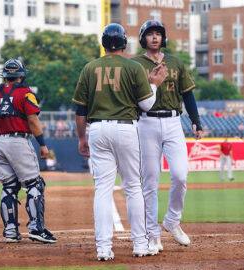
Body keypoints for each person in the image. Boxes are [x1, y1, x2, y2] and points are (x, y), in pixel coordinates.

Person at [72, 23, 167, 261]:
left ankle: (103, 248)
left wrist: (81, 137)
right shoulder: (134, 67)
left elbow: (80, 109)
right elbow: (146, 105)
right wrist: (154, 84)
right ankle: (140, 245)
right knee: (133, 187)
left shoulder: (89, 68)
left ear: (103, 43)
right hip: (125, 128)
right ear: (124, 43)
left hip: (98, 129)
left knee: (102, 189)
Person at [132, 20, 202, 251]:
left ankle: (172, 221)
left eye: (158, 34)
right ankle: (153, 234)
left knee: (181, 175)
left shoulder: (175, 62)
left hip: (173, 122)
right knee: (149, 182)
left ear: (163, 38)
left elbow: (188, 95)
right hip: (146, 123)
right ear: (143, 38)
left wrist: (196, 121)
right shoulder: (134, 64)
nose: (154, 37)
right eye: (150, 34)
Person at [0, 58, 56, 244]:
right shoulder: (26, 94)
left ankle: (10, 231)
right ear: (21, 75)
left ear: (5, 76)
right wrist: (42, 144)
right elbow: (33, 121)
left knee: (9, 187)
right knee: (34, 184)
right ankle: (35, 228)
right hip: (18, 141)